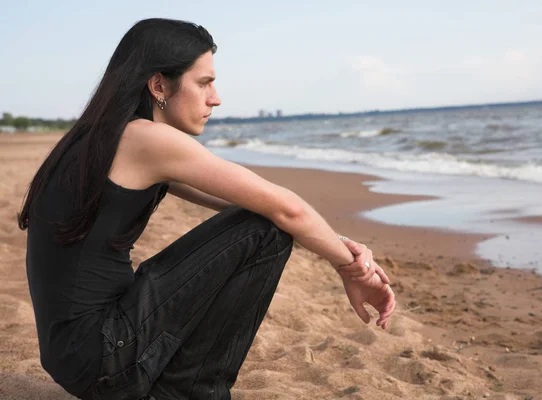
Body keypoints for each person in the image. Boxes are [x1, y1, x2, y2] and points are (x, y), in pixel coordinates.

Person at [18, 18, 395, 400]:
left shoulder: (101, 137)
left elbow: (255, 203)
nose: (215, 98)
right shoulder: (146, 140)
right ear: (159, 85)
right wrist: (353, 268)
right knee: (267, 232)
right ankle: (195, 391)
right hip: (104, 358)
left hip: (78, 357)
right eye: (204, 83)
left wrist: (337, 241)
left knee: (264, 219)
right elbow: (286, 211)